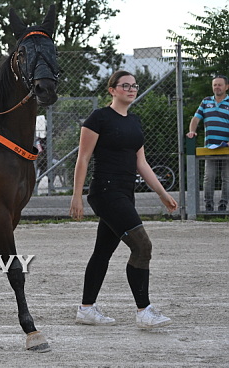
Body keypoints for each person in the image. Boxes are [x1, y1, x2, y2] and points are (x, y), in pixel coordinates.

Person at [69, 70, 178, 329]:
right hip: (106, 192)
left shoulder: (134, 122)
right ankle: (144, 311)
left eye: (134, 86)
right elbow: (83, 158)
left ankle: (86, 309)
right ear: (112, 90)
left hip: (125, 193)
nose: (131, 89)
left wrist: (162, 194)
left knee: (102, 252)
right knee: (142, 246)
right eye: (125, 85)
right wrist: (77, 196)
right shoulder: (99, 118)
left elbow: (142, 163)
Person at [186, 74, 229, 212]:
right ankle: (208, 206)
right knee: (209, 178)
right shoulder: (206, 101)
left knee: (227, 178)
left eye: (220, 84)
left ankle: (223, 205)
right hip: (210, 148)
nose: (217, 87)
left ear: (226, 87)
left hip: (226, 148)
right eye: (214, 85)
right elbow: (195, 119)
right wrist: (192, 131)